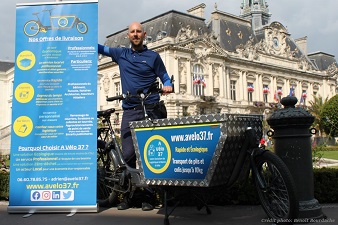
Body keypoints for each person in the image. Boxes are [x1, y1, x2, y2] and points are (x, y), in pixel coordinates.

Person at [98, 22, 173, 211]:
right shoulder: (121, 54)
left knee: (150, 153)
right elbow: (99, 48)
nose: (136, 34)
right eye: (132, 32)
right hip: (130, 110)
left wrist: (167, 85)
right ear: (128, 35)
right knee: (128, 155)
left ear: (144, 34)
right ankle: (129, 197)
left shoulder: (153, 57)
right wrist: (78, 34)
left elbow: (164, 76)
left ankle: (148, 196)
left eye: (139, 31)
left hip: (151, 108)